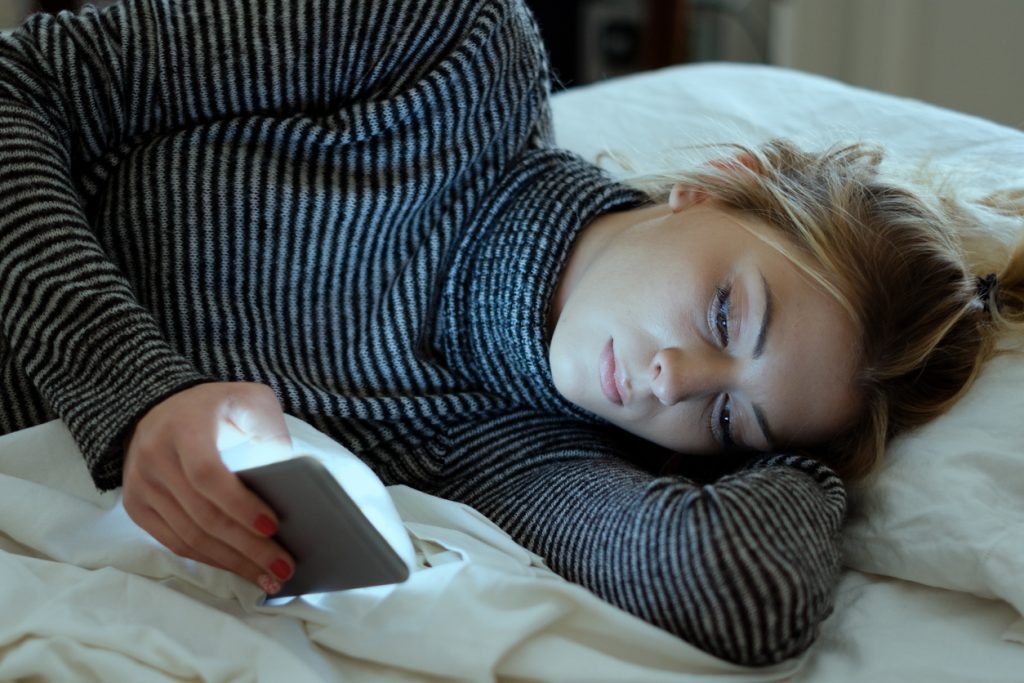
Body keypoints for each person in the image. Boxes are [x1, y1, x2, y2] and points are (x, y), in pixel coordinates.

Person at [0, 0, 1021, 667]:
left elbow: (738, 591)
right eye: (724, 313)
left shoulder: (522, 452)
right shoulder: (449, 50)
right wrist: (137, 393)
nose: (671, 379)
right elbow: (19, 83)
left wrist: (805, 455)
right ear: (717, 187)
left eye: (727, 414)